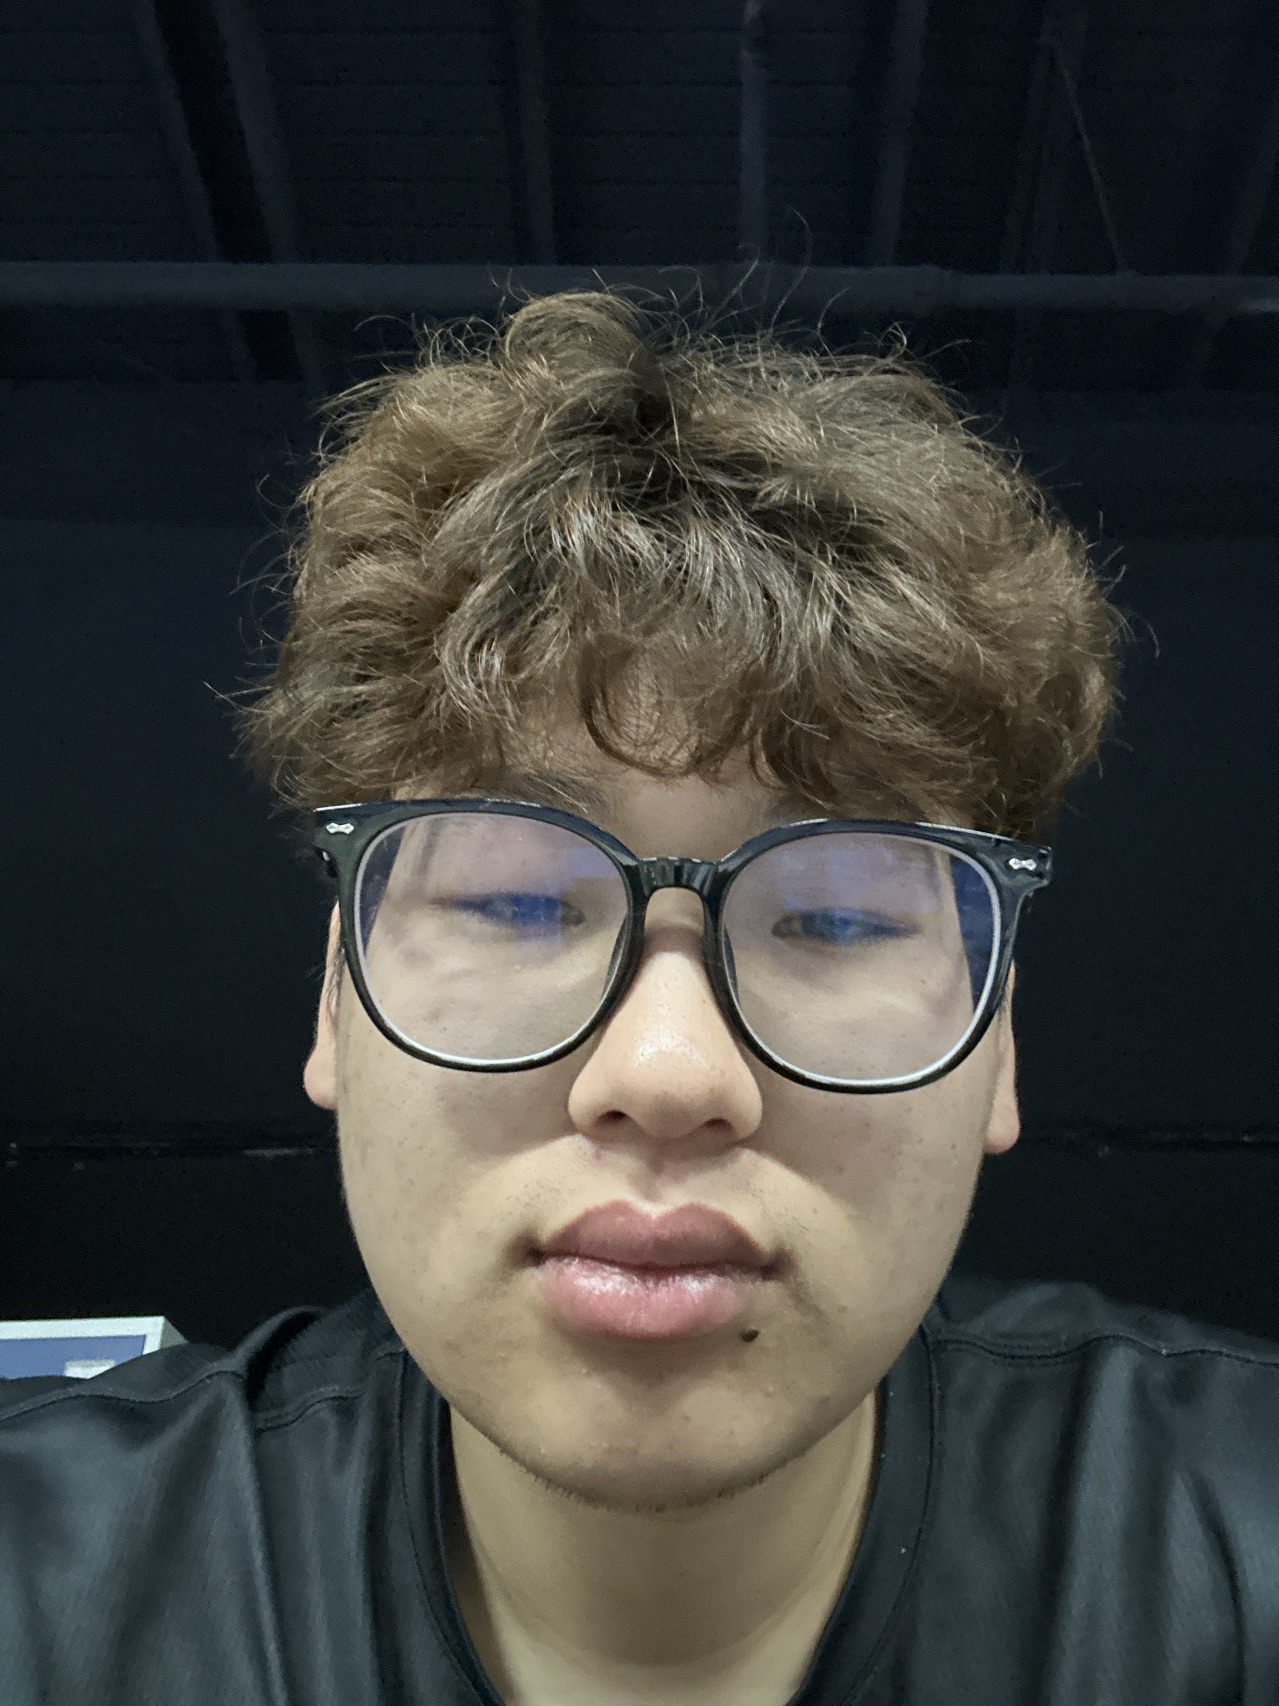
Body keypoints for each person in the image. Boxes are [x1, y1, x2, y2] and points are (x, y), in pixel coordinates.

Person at [1, 291, 1276, 1706]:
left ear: (1000, 1040)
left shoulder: (1237, 1543)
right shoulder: (44, 1591)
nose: (668, 1072)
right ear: (335, 1004)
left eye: (838, 916)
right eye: (514, 900)